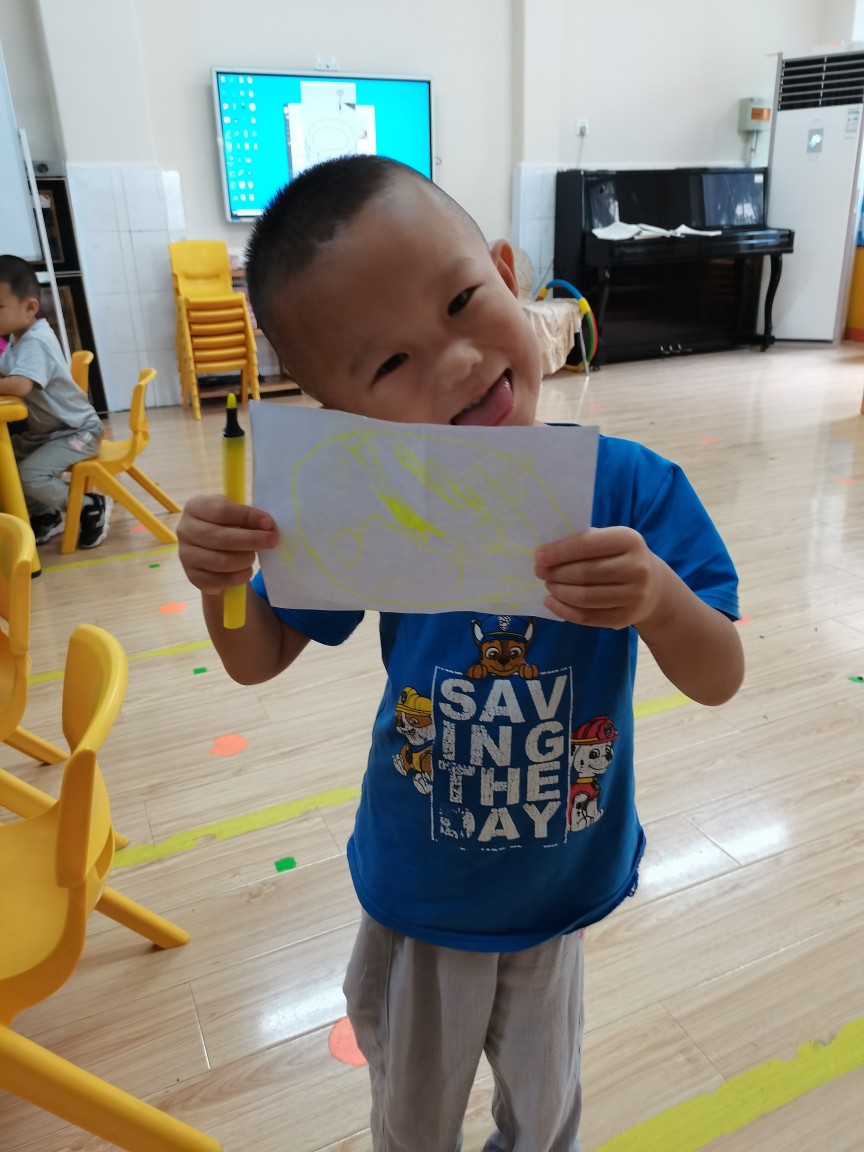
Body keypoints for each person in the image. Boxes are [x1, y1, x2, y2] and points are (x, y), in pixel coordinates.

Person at [177, 156, 745, 1152]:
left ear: (507, 272)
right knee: (414, 1122)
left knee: (545, 1115)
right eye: (390, 363)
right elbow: (258, 658)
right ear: (346, 423)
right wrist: (221, 584)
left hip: (557, 887)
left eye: (460, 300)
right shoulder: (371, 503)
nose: (455, 362)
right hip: (421, 893)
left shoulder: (631, 490)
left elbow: (719, 674)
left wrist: (657, 597)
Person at [0, 254, 109, 548]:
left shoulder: (35, 340)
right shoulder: (18, 338)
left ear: (30, 307)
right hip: (49, 434)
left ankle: (89, 506)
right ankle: (45, 515)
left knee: (29, 474)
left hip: (79, 433)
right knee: (6, 463)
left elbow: (20, 385)